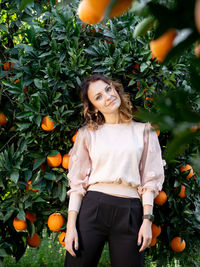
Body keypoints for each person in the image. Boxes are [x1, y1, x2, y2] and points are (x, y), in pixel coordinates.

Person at [64, 74, 166, 267]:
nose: (108, 96)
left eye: (108, 89)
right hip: (93, 207)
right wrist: (71, 226)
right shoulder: (87, 134)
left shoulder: (144, 130)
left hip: (130, 212)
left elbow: (150, 180)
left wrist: (147, 220)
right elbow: (77, 183)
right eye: (99, 96)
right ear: (93, 107)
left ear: (116, 89)